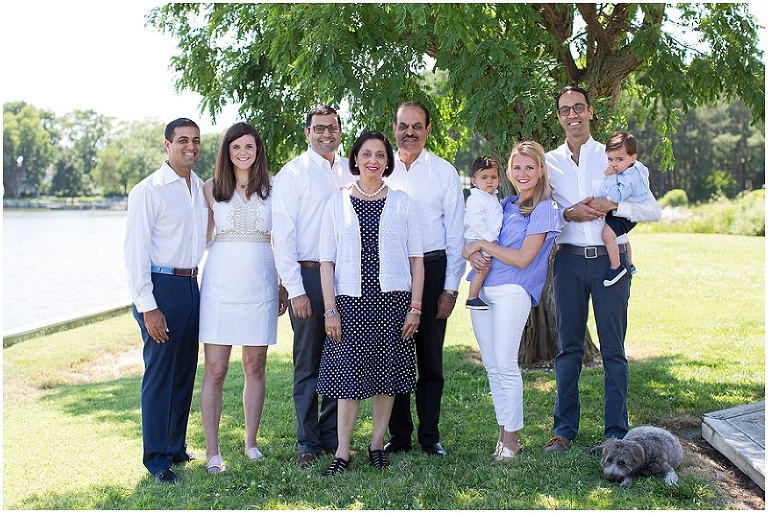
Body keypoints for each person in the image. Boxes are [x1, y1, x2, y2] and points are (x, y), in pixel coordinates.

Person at [544, 86, 661, 454]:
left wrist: (612, 208)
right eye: (565, 110)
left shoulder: (615, 156)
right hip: (569, 261)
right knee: (568, 349)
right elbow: (536, 211)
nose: (572, 114)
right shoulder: (548, 162)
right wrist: (567, 213)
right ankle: (563, 432)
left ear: (591, 112)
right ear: (559, 116)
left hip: (612, 263)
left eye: (579, 107)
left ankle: (616, 433)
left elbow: (649, 209)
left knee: (613, 349)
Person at [317, 130, 424, 476]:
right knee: (348, 378)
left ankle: (377, 444)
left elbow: (417, 260)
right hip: (349, 301)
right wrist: (330, 308)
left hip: (393, 302)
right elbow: (326, 261)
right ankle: (343, 450)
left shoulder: (403, 202)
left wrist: (416, 307)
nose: (373, 160)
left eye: (380, 154)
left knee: (386, 376)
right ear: (356, 159)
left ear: (388, 161)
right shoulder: (337, 202)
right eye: (366, 154)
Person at [198, 122, 289, 474]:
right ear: (227, 151)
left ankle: (251, 444)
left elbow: (282, 238)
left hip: (261, 280)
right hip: (221, 281)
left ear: (258, 150)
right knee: (216, 369)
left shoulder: (273, 187)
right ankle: (212, 451)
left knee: (255, 366)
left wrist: (283, 282)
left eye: (249, 147)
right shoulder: (210, 188)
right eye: (236, 147)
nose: (243, 153)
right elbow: (202, 237)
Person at [463, 141, 560, 462]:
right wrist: (471, 249)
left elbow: (522, 259)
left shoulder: (545, 208)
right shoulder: (503, 202)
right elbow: (475, 238)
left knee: (505, 363)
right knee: (492, 366)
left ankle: (513, 440)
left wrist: (482, 245)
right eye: (517, 167)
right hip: (484, 289)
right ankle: (502, 435)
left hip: (514, 291)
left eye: (529, 167)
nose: (522, 173)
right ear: (508, 171)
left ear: (541, 170)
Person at [124, 118, 207, 484]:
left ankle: (175, 446)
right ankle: (157, 460)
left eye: (196, 141)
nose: (190, 147)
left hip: (191, 285)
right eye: (183, 141)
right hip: (161, 288)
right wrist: (148, 306)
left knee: (184, 371)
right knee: (159, 375)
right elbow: (135, 252)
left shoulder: (200, 187)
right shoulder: (149, 190)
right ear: (167, 145)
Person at [272, 105, 353, 467]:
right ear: (307, 133)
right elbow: (282, 236)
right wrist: (295, 289)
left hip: (345, 277)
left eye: (332, 128)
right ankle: (307, 442)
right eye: (319, 128)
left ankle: (332, 434)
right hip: (307, 275)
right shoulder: (293, 174)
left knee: (338, 359)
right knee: (307, 363)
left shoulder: (350, 169)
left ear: (339, 130)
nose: (326, 134)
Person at [384, 101, 466, 458]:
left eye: (417, 126)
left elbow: (456, 235)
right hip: (391, 273)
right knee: (395, 357)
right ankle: (399, 437)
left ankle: (429, 436)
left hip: (433, 271)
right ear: (394, 128)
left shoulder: (443, 172)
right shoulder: (380, 169)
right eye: (404, 125)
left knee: (430, 361)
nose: (410, 132)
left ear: (428, 130)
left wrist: (450, 288)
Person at [599, 131, 649, 286]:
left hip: (628, 213)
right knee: (621, 236)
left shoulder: (630, 176)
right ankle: (630, 263)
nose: (614, 164)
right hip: (627, 210)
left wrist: (609, 178)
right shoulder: (632, 168)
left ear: (632, 158)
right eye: (610, 159)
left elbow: (617, 196)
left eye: (619, 159)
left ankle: (616, 267)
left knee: (607, 235)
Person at [464, 156, 503, 310]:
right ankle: (472, 297)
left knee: (486, 265)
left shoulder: (492, 197)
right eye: (484, 177)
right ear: (474, 181)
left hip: (485, 238)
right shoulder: (476, 199)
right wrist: (491, 241)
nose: (489, 181)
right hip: (478, 238)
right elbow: (477, 223)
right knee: (484, 266)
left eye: (493, 177)